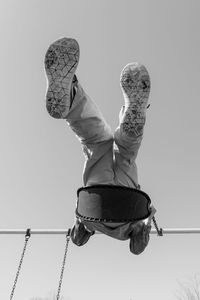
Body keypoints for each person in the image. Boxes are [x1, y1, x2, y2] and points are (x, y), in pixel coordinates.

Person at [44, 37, 154, 255]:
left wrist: (147, 221)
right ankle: (72, 100)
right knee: (96, 141)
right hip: (95, 195)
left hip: (128, 197)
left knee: (127, 150)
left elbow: (138, 245)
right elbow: (78, 237)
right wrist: (81, 221)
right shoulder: (90, 223)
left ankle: (131, 122)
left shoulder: (126, 228)